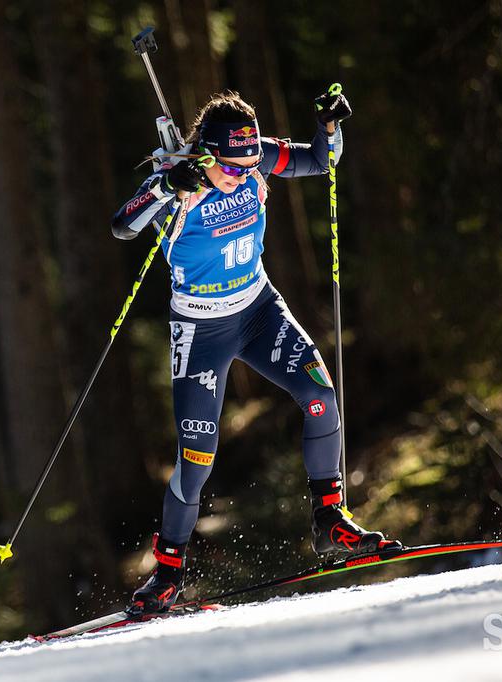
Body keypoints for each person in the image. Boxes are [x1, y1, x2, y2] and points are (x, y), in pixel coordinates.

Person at [110, 89, 399, 617]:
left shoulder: (251, 153)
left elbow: (319, 160)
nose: (246, 173)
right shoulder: (179, 177)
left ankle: (330, 520)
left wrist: (329, 127)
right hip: (201, 331)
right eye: (235, 167)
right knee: (196, 458)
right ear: (208, 155)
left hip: (259, 311)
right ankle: (169, 572)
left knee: (319, 396)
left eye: (251, 165)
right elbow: (122, 222)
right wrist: (166, 189)